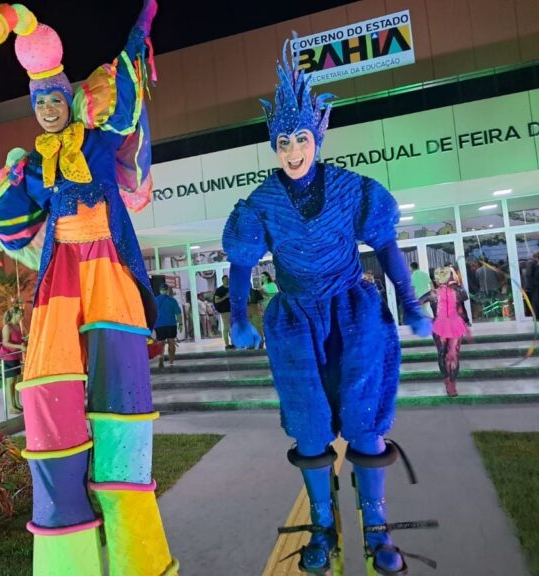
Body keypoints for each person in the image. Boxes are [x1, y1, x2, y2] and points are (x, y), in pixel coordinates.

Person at [0, 3, 177, 575]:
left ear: (68, 102)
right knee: (50, 405)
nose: (47, 111)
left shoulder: (98, 143)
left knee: (122, 418)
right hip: (61, 282)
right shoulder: (33, 171)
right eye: (39, 103)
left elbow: (126, 85)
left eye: (54, 101)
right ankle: (67, 562)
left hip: (108, 273)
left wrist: (142, 23)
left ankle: (140, 562)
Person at [222, 38, 432, 575]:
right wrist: (240, 317)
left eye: (300, 139)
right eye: (282, 142)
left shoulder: (351, 189)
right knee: (309, 422)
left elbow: (385, 245)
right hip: (296, 319)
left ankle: (377, 524)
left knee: (364, 415)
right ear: (274, 146)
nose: (292, 151)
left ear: (317, 139)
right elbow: (242, 262)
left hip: (351, 312)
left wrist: (410, 303)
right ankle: (321, 522)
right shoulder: (262, 203)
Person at [420, 267, 470, 397]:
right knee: (443, 354)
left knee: (453, 354)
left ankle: (452, 384)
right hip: (440, 325)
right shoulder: (432, 294)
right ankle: (448, 383)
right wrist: (427, 318)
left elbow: (463, 301)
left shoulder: (457, 291)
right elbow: (415, 305)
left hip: (455, 324)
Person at [0, 306, 25, 413]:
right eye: (20, 313)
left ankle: (17, 403)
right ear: (14, 314)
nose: (22, 315)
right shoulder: (7, 327)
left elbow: (17, 339)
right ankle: (11, 406)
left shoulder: (17, 326)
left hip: (16, 356)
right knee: (10, 381)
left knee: (16, 380)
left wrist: (24, 340)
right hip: (8, 357)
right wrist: (20, 347)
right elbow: (5, 342)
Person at [153, 285, 183, 368]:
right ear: (167, 290)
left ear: (160, 291)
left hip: (159, 325)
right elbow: (178, 313)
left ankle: (161, 359)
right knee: (171, 342)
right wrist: (180, 324)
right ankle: (171, 362)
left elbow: (152, 313)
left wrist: (152, 325)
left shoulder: (155, 300)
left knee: (161, 343)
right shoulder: (172, 300)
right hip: (171, 324)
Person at [213, 274, 233, 349]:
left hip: (232, 310)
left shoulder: (230, 288)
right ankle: (227, 344)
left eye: (228, 279)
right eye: (225, 279)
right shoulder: (219, 290)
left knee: (232, 327)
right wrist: (226, 297)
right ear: (222, 281)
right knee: (226, 327)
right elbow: (216, 300)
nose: (227, 281)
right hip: (225, 311)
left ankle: (233, 343)